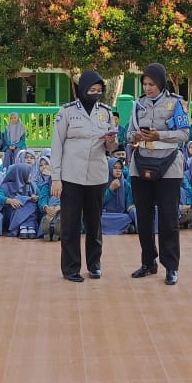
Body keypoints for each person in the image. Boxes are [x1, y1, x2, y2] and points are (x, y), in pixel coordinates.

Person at [50, 71, 118, 282]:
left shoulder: (105, 112)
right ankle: (71, 268)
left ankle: (94, 264)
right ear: (82, 89)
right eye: (91, 90)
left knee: (94, 223)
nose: (95, 94)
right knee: (70, 225)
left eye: (99, 91)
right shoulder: (67, 111)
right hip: (71, 176)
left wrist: (110, 141)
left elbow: (112, 147)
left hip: (96, 176)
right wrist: (56, 177)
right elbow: (57, 145)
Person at [127, 63, 188, 285]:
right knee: (143, 218)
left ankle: (171, 266)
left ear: (161, 83)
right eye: (144, 84)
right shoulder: (138, 105)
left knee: (168, 219)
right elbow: (128, 134)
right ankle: (148, 262)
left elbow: (183, 133)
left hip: (168, 166)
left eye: (151, 84)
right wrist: (136, 136)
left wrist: (158, 135)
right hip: (141, 163)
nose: (147, 88)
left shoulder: (175, 103)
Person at [0, 163, 41, 238]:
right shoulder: (6, 186)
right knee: (21, 201)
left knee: (29, 202)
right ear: (20, 174)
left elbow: (40, 195)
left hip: (28, 212)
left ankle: (25, 226)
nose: (30, 176)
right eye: (28, 174)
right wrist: (9, 200)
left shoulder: (31, 185)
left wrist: (36, 197)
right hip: (12, 213)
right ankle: (26, 226)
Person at [101, 158, 136, 235]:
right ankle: (126, 228)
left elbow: (129, 205)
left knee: (127, 218)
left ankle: (127, 227)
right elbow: (99, 203)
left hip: (120, 215)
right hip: (106, 214)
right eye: (115, 168)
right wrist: (110, 189)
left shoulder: (126, 185)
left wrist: (133, 211)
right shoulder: (102, 183)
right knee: (98, 218)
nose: (118, 170)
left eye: (120, 168)